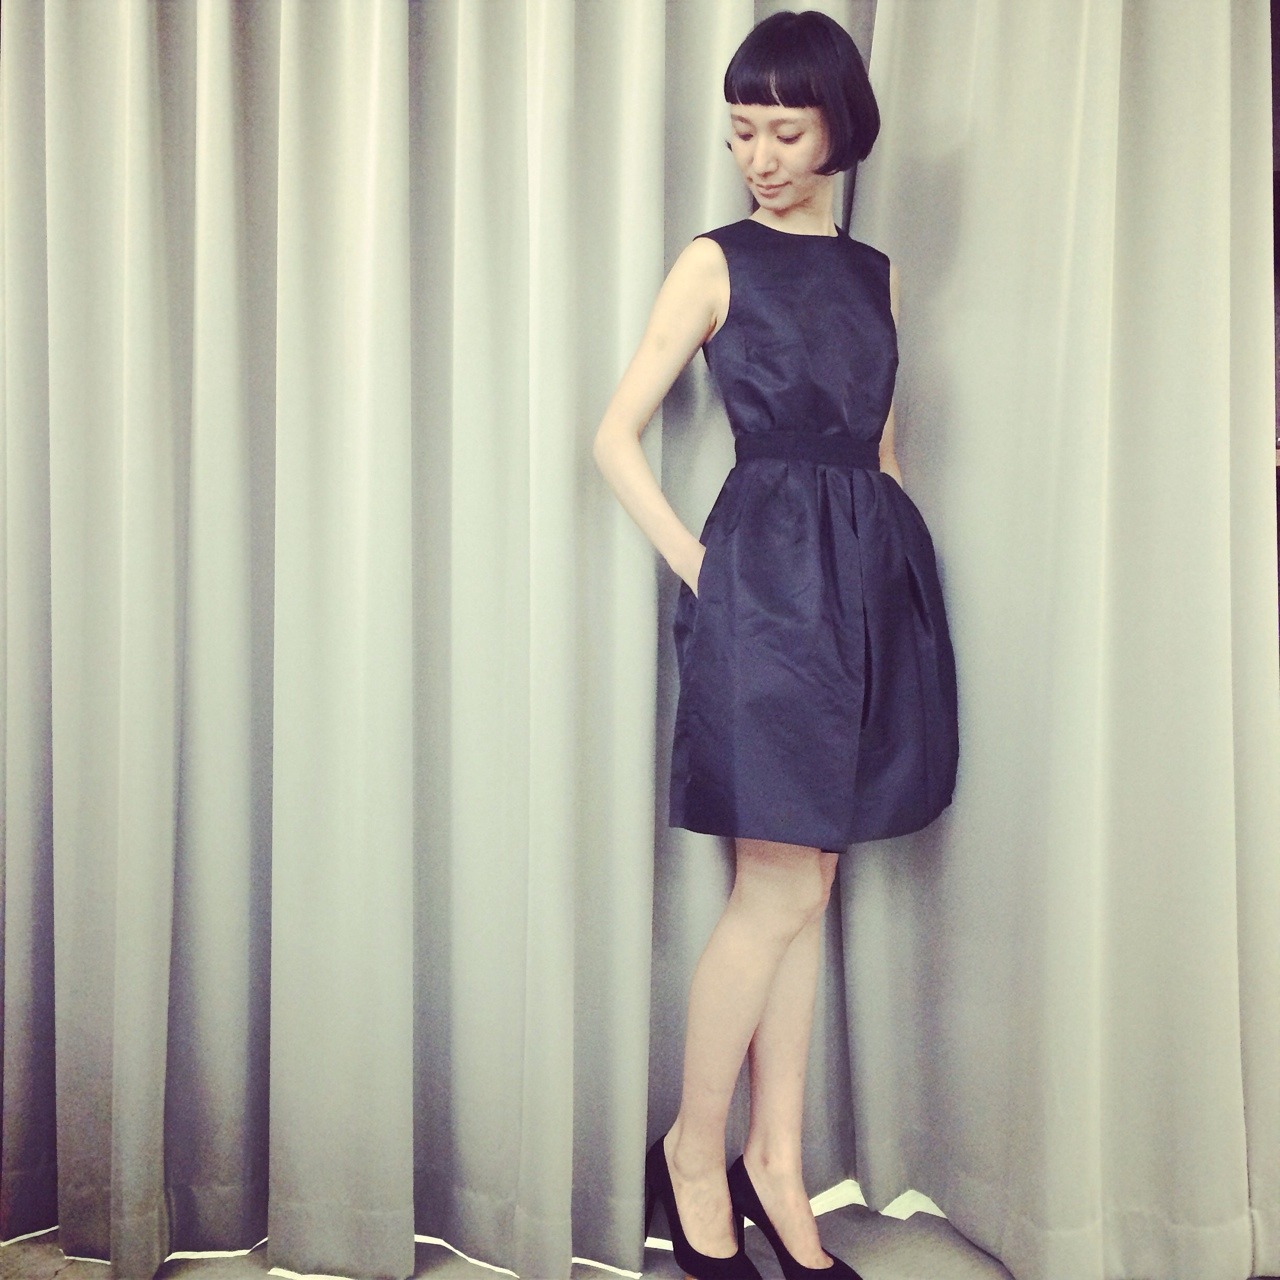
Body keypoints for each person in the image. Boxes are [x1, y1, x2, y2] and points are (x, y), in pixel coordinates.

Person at [592, 11, 959, 1280]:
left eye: (784, 130)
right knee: (775, 887)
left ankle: (777, 1162)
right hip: (765, 584)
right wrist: (703, 567)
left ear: (839, 129)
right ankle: (694, 1151)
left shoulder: (874, 274)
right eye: (740, 130)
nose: (757, 154)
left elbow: (882, 448)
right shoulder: (714, 261)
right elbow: (612, 437)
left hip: (865, 584)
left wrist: (896, 593)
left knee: (814, 886)